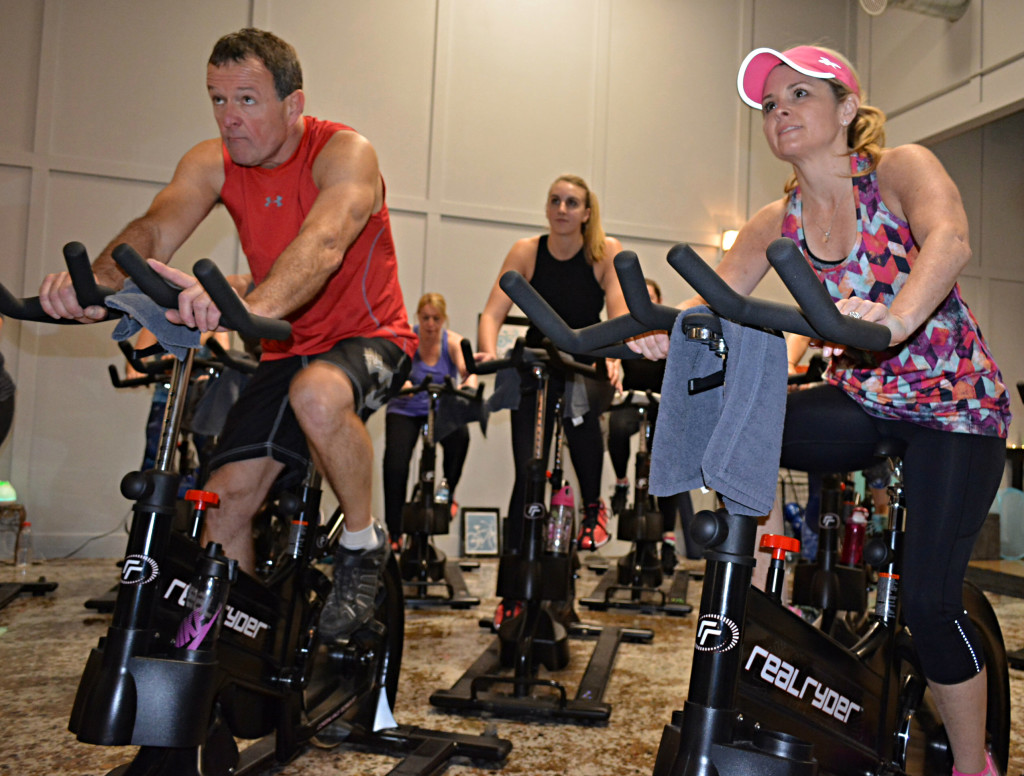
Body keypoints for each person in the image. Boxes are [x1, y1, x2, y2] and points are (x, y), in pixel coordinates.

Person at [631, 45, 1011, 776]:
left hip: (954, 409)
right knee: (741, 424)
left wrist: (896, 318)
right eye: (770, 105)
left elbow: (950, 239)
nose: (779, 113)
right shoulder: (778, 220)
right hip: (865, 400)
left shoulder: (900, 171)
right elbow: (712, 300)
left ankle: (973, 766)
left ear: (847, 110)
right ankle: (767, 591)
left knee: (929, 607)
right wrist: (665, 331)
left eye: (798, 95)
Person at [37, 28, 417, 643]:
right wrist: (94, 286)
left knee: (318, 396)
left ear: (292, 105)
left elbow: (322, 244)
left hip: (369, 336)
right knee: (222, 502)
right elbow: (156, 229)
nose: (228, 118)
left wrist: (246, 305)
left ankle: (362, 542)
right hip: (282, 343)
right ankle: (240, 654)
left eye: (246, 100)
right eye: (217, 99)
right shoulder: (212, 160)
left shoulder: (343, 153)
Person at [477, 174, 627, 620]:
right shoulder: (526, 250)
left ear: (586, 212)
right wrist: (488, 348)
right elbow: (493, 311)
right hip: (538, 365)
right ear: (547, 208)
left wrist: (616, 354)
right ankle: (512, 597)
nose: (562, 209)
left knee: (582, 419)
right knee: (529, 478)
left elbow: (619, 309)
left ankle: (594, 507)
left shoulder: (604, 252)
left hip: (583, 363)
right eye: (555, 201)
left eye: (572, 203)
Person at [606, 278, 698, 570]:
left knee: (665, 464)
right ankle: (621, 482)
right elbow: (612, 361)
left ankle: (668, 538)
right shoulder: (625, 330)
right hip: (632, 401)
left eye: (651, 297)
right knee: (618, 428)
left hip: (662, 403)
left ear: (658, 301)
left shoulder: (669, 332)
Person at [382, 293, 475, 548]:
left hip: (440, 407)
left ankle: (447, 492)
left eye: (436, 319)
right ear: (417, 318)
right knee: (396, 465)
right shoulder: (407, 340)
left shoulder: (453, 342)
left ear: (443, 319)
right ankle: (395, 532)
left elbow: (468, 373)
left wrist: (468, 387)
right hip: (406, 407)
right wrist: (405, 382)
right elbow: (394, 369)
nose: (431, 324)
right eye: (425, 318)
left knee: (461, 437)